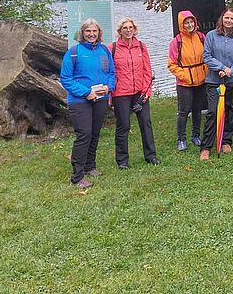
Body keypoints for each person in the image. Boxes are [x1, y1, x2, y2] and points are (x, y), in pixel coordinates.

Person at [60, 18, 115, 188]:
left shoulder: (104, 50)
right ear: (82, 33)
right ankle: (77, 176)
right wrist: (86, 93)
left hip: (100, 99)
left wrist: (108, 87)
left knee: (95, 133)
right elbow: (66, 79)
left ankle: (90, 166)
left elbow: (112, 73)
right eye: (88, 31)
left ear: (99, 33)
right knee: (83, 134)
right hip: (79, 101)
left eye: (94, 31)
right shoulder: (74, 52)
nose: (91, 34)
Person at [111, 17, 159, 169]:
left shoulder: (141, 47)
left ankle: (151, 155)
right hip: (121, 93)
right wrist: (110, 95)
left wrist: (146, 92)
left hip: (140, 92)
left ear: (134, 29)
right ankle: (122, 160)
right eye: (125, 28)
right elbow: (109, 73)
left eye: (130, 27)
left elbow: (147, 70)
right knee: (123, 126)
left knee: (146, 123)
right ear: (120, 31)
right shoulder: (112, 48)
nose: (128, 30)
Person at [200, 7, 233, 161]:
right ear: (222, 18)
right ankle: (206, 147)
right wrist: (221, 68)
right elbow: (206, 56)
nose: (229, 21)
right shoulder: (211, 35)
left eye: (232, 19)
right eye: (227, 17)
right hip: (214, 80)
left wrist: (230, 71)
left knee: (232, 110)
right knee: (213, 112)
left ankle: (226, 140)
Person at [167, 10, 208, 152]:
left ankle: (196, 135)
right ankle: (181, 139)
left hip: (200, 80)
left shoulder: (201, 37)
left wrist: (205, 72)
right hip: (185, 82)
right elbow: (172, 64)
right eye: (186, 23)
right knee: (183, 111)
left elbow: (207, 57)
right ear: (181, 24)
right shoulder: (176, 42)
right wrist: (184, 75)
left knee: (197, 109)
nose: (190, 25)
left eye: (191, 22)